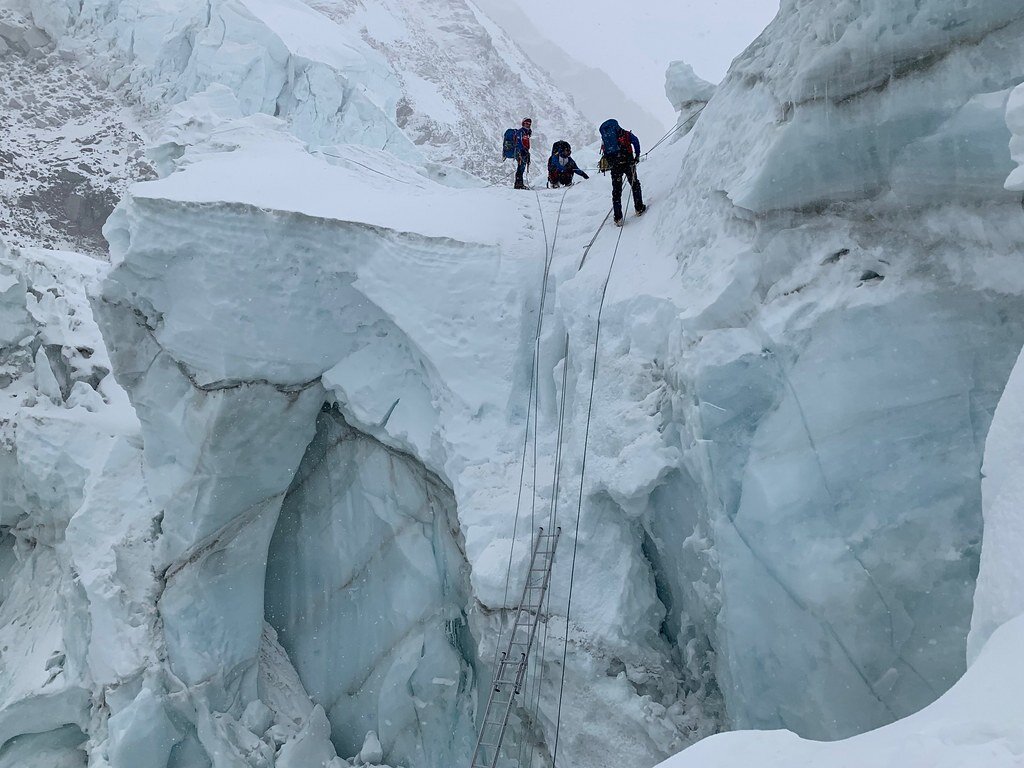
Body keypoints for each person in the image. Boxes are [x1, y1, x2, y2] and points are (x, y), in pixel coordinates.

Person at [598, 118, 646, 225]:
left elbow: (605, 153)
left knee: (616, 191)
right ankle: (639, 208)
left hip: (615, 167)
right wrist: (637, 155)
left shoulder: (606, 140)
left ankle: (618, 218)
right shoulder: (625, 134)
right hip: (629, 163)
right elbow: (636, 141)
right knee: (635, 184)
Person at [514, 118, 532, 189]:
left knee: (521, 168)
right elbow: (518, 142)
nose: (528, 125)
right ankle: (518, 184)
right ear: (523, 123)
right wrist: (522, 151)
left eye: (529, 124)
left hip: (524, 152)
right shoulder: (521, 132)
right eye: (526, 123)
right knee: (520, 168)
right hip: (520, 153)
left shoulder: (526, 132)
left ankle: (519, 184)